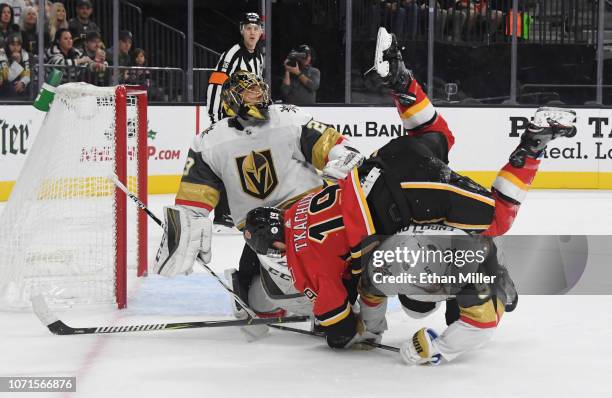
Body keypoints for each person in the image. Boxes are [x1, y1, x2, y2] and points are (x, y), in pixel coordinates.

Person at [241, 27, 576, 361]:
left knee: (498, 217)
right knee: (435, 133)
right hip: (388, 161)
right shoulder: (298, 205)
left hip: (404, 195)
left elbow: (339, 325)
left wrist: (354, 330)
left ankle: (534, 140)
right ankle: (399, 79)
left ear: (276, 245)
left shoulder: (303, 265)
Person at [153, 70, 365, 320]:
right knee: (256, 305)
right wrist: (185, 227)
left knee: (341, 270)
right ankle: (248, 289)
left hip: (308, 217)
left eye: (259, 90)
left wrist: (342, 155)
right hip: (260, 233)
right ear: (232, 99)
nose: (258, 95)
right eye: (249, 92)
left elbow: (331, 144)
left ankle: (333, 305)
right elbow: (194, 198)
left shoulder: (287, 117)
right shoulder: (208, 143)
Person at [205, 12, 265, 230]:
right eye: (248, 28)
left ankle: (238, 210)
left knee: (245, 164)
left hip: (247, 120)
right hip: (227, 119)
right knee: (227, 166)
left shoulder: (259, 56)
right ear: (242, 30)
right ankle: (222, 215)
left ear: (261, 32)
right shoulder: (232, 53)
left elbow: (256, 88)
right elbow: (216, 83)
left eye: (256, 28)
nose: (252, 32)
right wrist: (214, 118)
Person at [0, 32, 30, 97]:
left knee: (28, 86)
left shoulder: (24, 54)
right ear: (7, 45)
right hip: (4, 85)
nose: (16, 48)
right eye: (13, 45)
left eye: (18, 45)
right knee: (8, 85)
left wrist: (22, 83)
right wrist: (17, 62)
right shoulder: (1, 53)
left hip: (16, 83)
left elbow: (27, 75)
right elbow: (7, 77)